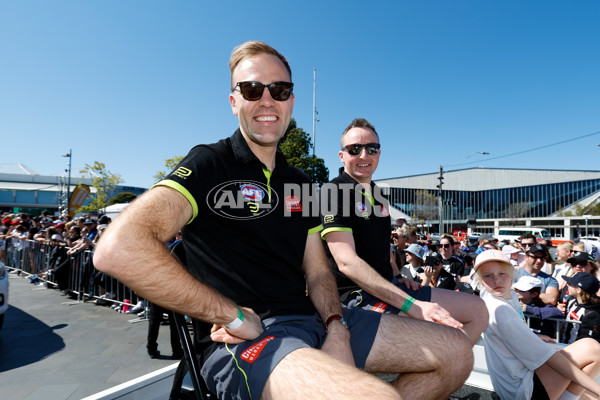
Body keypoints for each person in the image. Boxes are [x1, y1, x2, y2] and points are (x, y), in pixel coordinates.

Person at [94, 41, 462, 400]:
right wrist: (233, 316)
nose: (267, 100)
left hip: (314, 320)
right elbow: (119, 248)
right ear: (233, 101)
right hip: (246, 339)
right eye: (252, 89)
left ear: (291, 102)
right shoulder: (210, 163)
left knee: (456, 354)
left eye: (280, 89)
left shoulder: (300, 182)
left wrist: (336, 328)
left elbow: (318, 272)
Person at [320, 117, 487, 349]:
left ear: (379, 153)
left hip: (388, 286)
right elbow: (346, 262)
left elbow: (381, 250)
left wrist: (398, 278)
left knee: (478, 310)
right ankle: (445, 362)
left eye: (372, 148)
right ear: (342, 156)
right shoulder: (331, 192)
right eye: (354, 149)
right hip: (353, 296)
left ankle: (446, 366)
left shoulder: (377, 195)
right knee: (439, 343)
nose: (363, 155)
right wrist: (411, 305)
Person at [473, 249, 600, 400]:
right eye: (488, 275)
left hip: (513, 381)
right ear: (481, 279)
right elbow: (552, 360)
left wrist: (531, 336)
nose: (497, 281)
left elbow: (509, 332)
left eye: (502, 273)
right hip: (522, 389)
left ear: (512, 274)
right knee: (593, 349)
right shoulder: (501, 311)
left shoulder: (500, 295)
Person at [562, 272, 600, 344]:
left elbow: (590, 341)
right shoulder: (571, 301)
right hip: (564, 344)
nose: (567, 285)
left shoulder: (593, 314)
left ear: (578, 290)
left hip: (578, 351)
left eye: (570, 284)